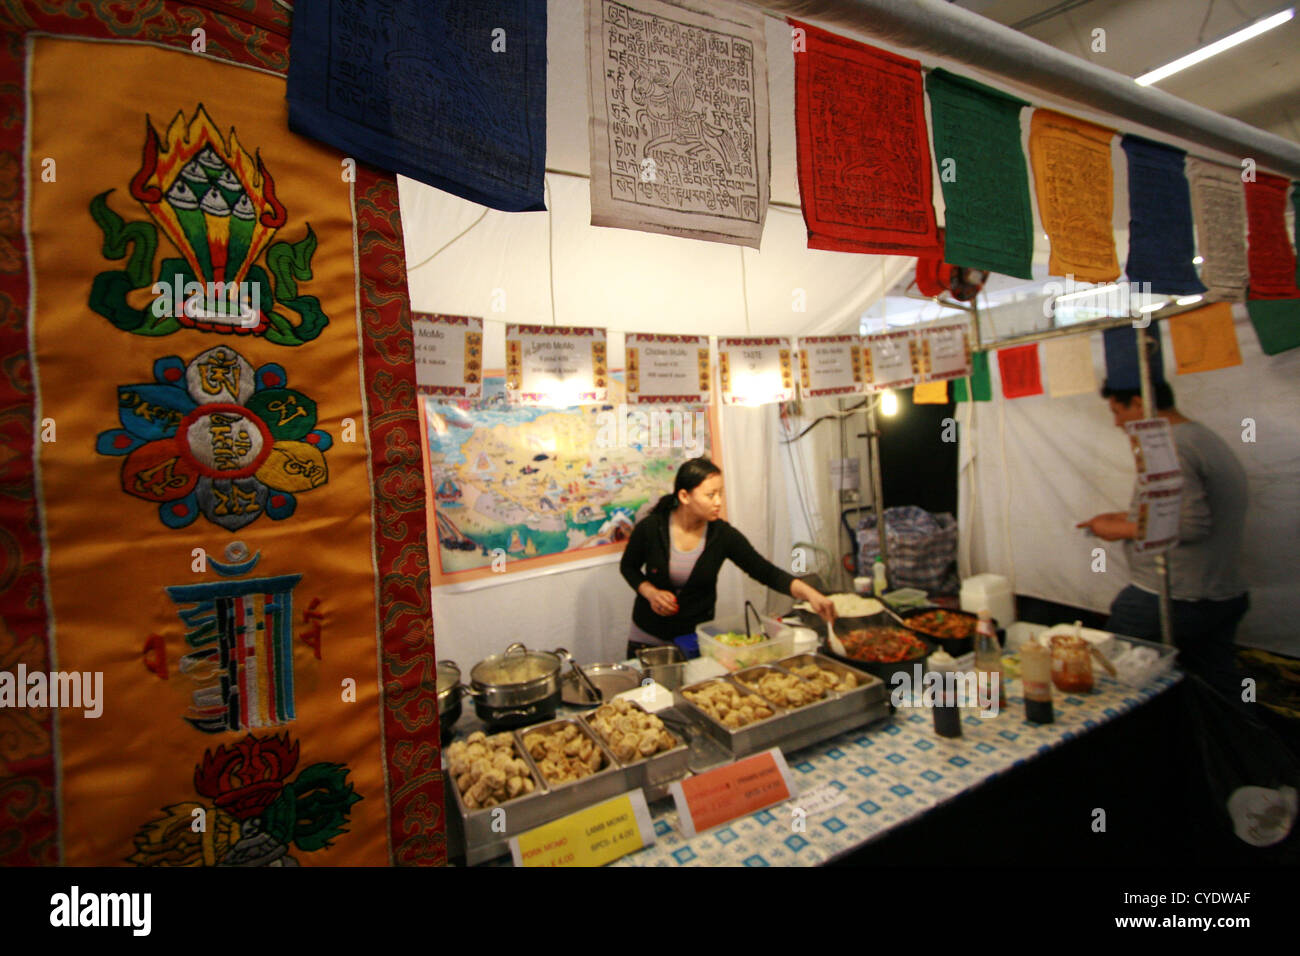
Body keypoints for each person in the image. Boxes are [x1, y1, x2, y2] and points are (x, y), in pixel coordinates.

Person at [1076, 381, 1249, 702]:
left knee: (1119, 690)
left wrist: (1121, 530)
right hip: (1219, 592)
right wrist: (1123, 517)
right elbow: (1179, 508)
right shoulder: (1201, 437)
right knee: (1218, 691)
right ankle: (1237, 747)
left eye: (1117, 411)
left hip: (1172, 595)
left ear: (1139, 403)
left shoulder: (1169, 445)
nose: (1116, 422)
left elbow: (1191, 524)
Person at [620, 456, 836, 660]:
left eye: (720, 494)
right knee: (646, 694)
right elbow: (628, 567)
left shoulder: (722, 535)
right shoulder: (651, 528)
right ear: (685, 496)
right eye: (710, 495)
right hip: (646, 639)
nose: (718, 502)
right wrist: (650, 592)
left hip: (693, 640)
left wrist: (810, 594)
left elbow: (765, 571)